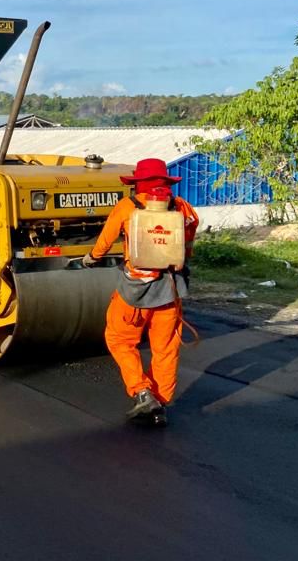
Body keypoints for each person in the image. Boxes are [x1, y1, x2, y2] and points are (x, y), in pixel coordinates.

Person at [83, 158, 199, 427]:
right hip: (169, 292)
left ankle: (142, 392)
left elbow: (105, 240)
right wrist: (183, 255)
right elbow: (191, 232)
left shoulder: (128, 207)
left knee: (119, 340)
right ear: (166, 184)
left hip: (133, 295)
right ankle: (160, 404)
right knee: (166, 350)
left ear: (138, 184)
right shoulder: (181, 208)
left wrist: (92, 257)